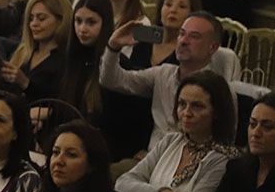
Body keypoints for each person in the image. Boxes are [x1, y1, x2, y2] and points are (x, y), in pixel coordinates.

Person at [116, 71, 238, 192]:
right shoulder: (170, 140)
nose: (186, 113)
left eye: (197, 106)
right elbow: (122, 183)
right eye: (182, 104)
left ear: (216, 112)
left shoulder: (222, 158)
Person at [101, 12, 238, 149]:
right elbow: (112, 80)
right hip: (150, 158)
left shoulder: (219, 89)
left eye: (194, 37)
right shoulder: (163, 73)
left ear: (212, 47)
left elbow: (224, 143)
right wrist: (113, 47)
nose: (183, 41)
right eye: (181, 34)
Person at [2, 0, 71, 103]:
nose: (33, 24)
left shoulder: (66, 60)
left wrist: (25, 83)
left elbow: (58, 101)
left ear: (61, 20)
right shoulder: (23, 52)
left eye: (41, 18)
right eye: (31, 18)